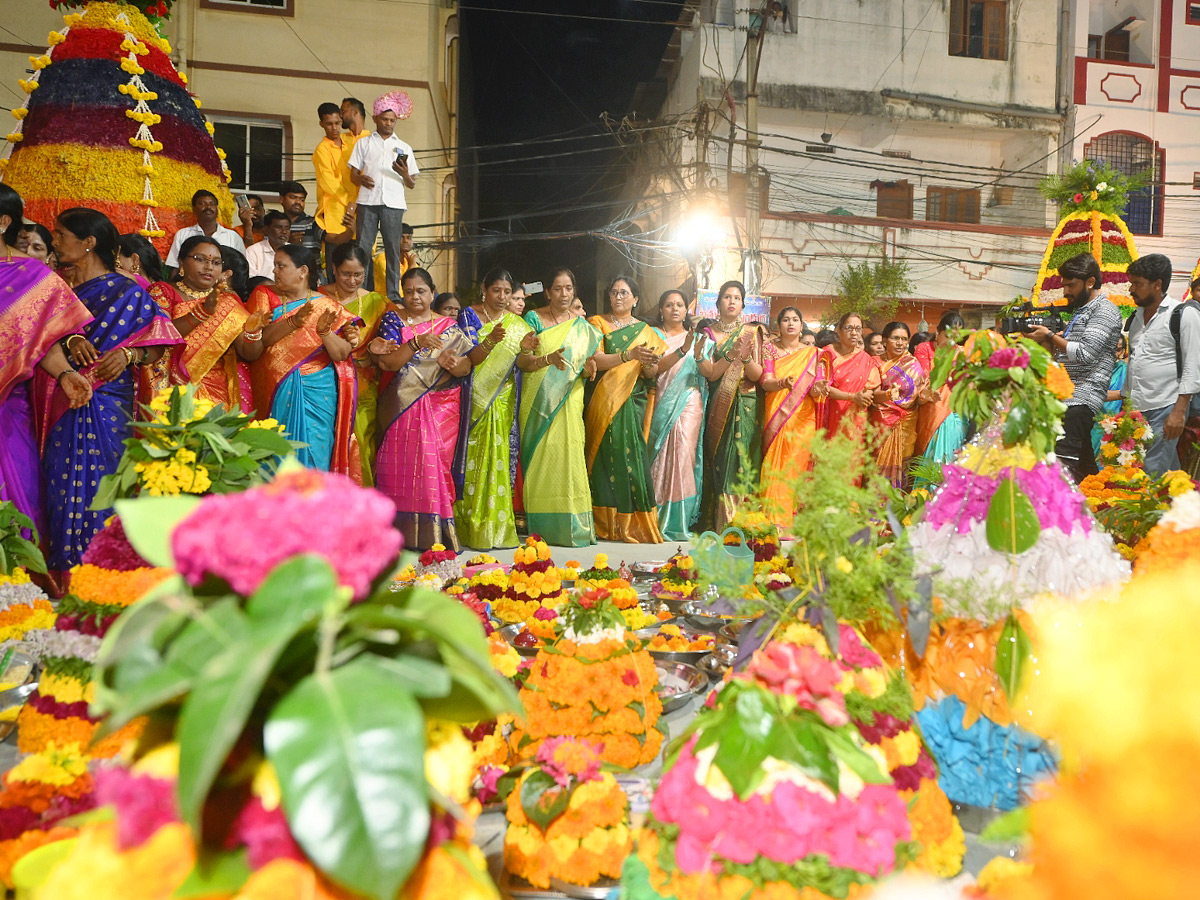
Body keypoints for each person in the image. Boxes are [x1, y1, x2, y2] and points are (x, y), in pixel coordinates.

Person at [45, 208, 181, 571]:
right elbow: (39, 337)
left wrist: (129, 353)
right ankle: (64, 574)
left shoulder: (126, 290)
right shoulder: (55, 286)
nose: (54, 241)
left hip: (111, 401)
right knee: (61, 483)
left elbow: (161, 340)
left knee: (106, 483)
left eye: (61, 235)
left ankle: (105, 574)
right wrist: (72, 338)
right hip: (64, 397)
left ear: (88, 242)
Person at [0, 186, 92, 541]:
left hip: (10, 407)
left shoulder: (33, 278)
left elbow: (44, 340)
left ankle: (19, 578)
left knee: (19, 486)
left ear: (4, 221)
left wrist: (66, 373)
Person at [370, 267, 473, 550]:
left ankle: (434, 536)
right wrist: (416, 342)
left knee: (434, 464)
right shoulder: (393, 319)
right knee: (398, 467)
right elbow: (389, 363)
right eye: (409, 291)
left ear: (432, 293)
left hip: (440, 406)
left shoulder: (448, 326)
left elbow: (467, 366)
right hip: (400, 405)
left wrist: (455, 363)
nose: (414, 297)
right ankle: (395, 536)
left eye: (421, 291)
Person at [249, 245, 361, 475]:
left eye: (281, 266)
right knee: (274, 456)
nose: (275, 271)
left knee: (315, 452)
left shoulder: (328, 307)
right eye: (275, 266)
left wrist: (325, 333)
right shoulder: (265, 296)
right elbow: (261, 341)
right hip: (274, 389)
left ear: (302, 271)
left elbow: (341, 354)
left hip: (318, 392)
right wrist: (292, 323)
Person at [454, 268, 540, 550]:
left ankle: (497, 527)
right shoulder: (468, 315)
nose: (502, 297)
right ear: (484, 289)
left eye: (506, 292)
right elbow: (465, 356)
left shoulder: (517, 324)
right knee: (472, 455)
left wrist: (531, 352)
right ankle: (469, 526)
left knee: (499, 456)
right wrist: (490, 342)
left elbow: (523, 364)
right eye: (496, 291)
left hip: (502, 398)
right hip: (473, 396)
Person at [520, 267, 602, 546]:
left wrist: (589, 363)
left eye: (568, 288)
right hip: (538, 397)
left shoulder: (582, 326)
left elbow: (590, 360)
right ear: (547, 292)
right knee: (544, 455)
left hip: (570, 396)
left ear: (574, 291)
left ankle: (574, 524)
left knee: (570, 451)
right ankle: (543, 527)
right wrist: (546, 359)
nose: (564, 294)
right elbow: (525, 359)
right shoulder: (534, 318)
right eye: (558, 288)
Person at [585, 276, 667, 543]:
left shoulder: (646, 331)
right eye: (614, 292)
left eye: (624, 292)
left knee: (631, 458)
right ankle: (604, 525)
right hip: (603, 400)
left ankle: (631, 525)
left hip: (632, 402)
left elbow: (651, 371)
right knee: (604, 458)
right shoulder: (597, 323)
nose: (618, 296)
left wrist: (649, 362)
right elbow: (595, 359)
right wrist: (628, 356)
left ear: (635, 299)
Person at [1029, 252, 1123, 482]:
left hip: (1081, 398)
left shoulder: (1105, 310)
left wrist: (1050, 335)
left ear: (1090, 282)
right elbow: (1065, 354)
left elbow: (1085, 354)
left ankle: (1063, 514)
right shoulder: (1083, 311)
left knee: (1064, 469)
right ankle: (1096, 510)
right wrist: (1042, 339)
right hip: (1069, 398)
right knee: (1085, 470)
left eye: (1071, 285)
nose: (1066, 292)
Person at [147, 234, 263, 413]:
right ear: (181, 263)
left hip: (217, 392)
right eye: (200, 259)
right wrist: (202, 313)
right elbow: (159, 335)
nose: (209, 266)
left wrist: (252, 333)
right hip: (172, 386)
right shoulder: (163, 291)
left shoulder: (228, 300)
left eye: (216, 262)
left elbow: (249, 354)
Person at [698, 279, 766, 531]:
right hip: (718, 403)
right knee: (720, 461)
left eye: (736, 298)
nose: (732, 301)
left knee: (742, 459)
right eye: (727, 297)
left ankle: (745, 523)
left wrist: (746, 357)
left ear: (743, 305)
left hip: (747, 405)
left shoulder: (752, 333)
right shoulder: (708, 334)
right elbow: (711, 374)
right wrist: (731, 354)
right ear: (718, 302)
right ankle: (721, 522)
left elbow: (757, 375)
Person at [1124, 253, 1200, 477]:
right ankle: (1182, 508)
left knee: (1152, 471)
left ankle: (1157, 511)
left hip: (1166, 405)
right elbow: (1136, 361)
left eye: (1137, 284)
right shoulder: (1136, 317)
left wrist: (1179, 411)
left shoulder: (1184, 315)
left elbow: (1193, 366)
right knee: (1166, 472)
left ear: (1157, 285)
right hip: (1137, 409)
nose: (1131, 289)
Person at [319, 243, 389, 485]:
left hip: (365, 385)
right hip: (325, 380)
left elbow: (387, 341)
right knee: (329, 441)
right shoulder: (318, 297)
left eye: (358, 274)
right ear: (334, 270)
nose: (352, 280)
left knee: (363, 443)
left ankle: (363, 505)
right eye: (346, 274)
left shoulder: (377, 302)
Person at [648, 289, 713, 540]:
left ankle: (679, 521)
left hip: (688, 401)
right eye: (668, 305)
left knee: (683, 457)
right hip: (659, 400)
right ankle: (654, 517)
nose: (675, 309)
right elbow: (651, 371)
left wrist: (696, 354)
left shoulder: (699, 339)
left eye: (679, 305)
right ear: (661, 310)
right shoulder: (652, 335)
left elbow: (708, 371)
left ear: (686, 310)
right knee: (658, 456)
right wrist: (681, 350)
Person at [349, 91, 418, 303]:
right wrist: (361, 180)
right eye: (385, 119)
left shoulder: (404, 147)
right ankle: (362, 290)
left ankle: (394, 295)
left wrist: (404, 172)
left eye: (392, 120)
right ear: (375, 118)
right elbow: (353, 174)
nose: (388, 123)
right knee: (363, 247)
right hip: (368, 201)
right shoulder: (364, 143)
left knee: (392, 250)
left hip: (394, 204)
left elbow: (412, 183)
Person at [759, 306, 825, 530]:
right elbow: (765, 381)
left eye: (795, 319)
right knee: (777, 463)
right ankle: (776, 518)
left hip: (804, 415)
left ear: (801, 325)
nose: (790, 323)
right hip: (777, 410)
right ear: (778, 326)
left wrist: (819, 388)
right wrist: (782, 383)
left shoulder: (813, 353)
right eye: (785, 319)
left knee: (798, 461)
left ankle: (796, 519)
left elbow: (814, 389)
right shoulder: (769, 349)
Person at [869, 321, 928, 489]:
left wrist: (927, 396)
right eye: (895, 338)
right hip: (880, 423)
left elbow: (919, 395)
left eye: (904, 339)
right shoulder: (874, 363)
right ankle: (875, 510)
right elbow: (871, 394)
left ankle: (900, 507)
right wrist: (888, 395)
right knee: (877, 467)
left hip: (906, 424)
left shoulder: (913, 364)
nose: (900, 343)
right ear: (884, 340)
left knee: (903, 467)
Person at [914, 312, 967, 466]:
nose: (951, 342)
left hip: (956, 409)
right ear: (938, 332)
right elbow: (925, 378)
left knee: (952, 452)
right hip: (931, 406)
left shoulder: (963, 352)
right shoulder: (925, 349)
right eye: (947, 336)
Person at [819, 313, 880, 440]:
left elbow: (871, 387)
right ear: (838, 330)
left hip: (855, 420)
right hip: (829, 416)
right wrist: (852, 396)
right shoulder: (826, 354)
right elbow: (821, 386)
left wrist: (865, 396)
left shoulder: (866, 359)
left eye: (858, 329)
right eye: (849, 328)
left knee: (853, 458)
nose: (854, 333)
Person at [312, 102, 357, 267]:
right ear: (321, 124)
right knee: (336, 263)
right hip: (334, 215)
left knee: (357, 261)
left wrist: (356, 203)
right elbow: (329, 183)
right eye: (329, 124)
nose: (334, 128)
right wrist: (351, 202)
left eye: (337, 123)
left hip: (356, 210)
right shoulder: (321, 150)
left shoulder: (350, 143)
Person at [164, 189, 246, 270]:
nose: (208, 207)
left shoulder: (233, 237)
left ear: (217, 209)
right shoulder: (183, 234)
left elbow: (242, 268)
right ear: (194, 209)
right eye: (202, 204)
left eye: (212, 204)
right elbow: (174, 266)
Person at [1091, 336, 1128, 461]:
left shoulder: (1125, 370)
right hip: (1091, 419)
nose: (1113, 354)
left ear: (1123, 351)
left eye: (1117, 350)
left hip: (1113, 423)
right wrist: (1121, 393)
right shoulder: (1092, 368)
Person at [373, 222, 417, 298]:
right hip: (384, 303)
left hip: (403, 302)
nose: (405, 241)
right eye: (401, 237)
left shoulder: (408, 260)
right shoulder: (383, 259)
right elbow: (395, 282)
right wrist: (412, 266)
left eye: (409, 238)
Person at [245, 211, 291, 279]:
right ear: (266, 229)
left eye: (287, 228)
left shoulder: (295, 251)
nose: (284, 232)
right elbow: (250, 280)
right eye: (279, 227)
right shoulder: (253, 251)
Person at [277, 181, 320, 249]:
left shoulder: (313, 223)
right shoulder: (274, 224)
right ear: (281, 199)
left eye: (302, 199)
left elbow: (333, 238)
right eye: (293, 197)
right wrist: (288, 242)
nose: (298, 202)